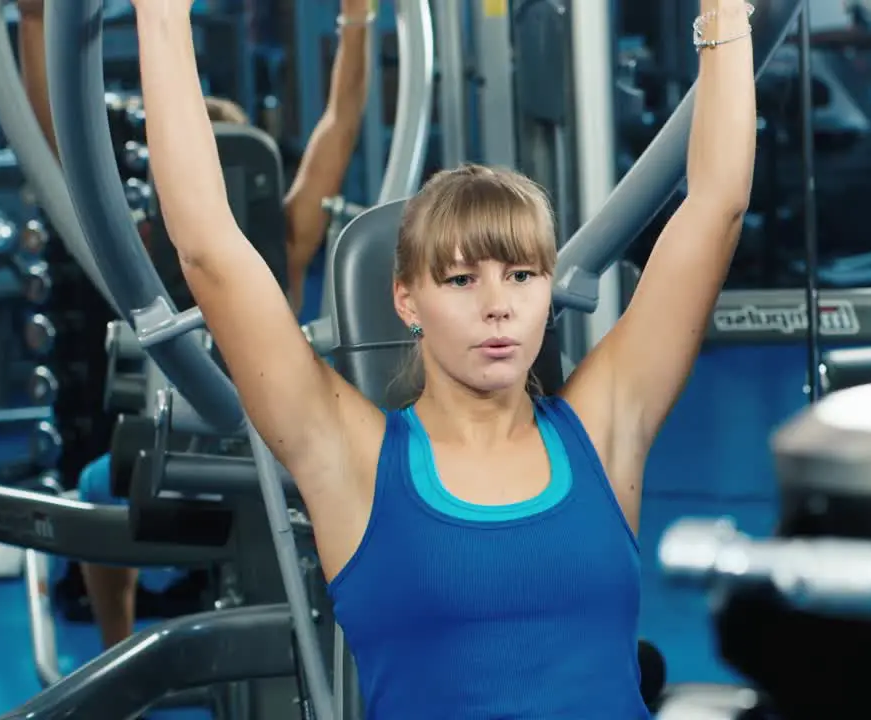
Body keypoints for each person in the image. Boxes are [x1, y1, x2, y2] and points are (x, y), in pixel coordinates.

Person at [136, 0, 754, 715]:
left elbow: (716, 207)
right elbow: (209, 248)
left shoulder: (605, 429)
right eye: (462, 280)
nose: (498, 305)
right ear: (407, 300)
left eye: (521, 276)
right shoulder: (353, 460)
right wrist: (161, 16)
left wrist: (724, 11)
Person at [16, 0, 372, 650]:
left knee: (99, 492)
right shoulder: (151, 241)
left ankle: (125, 640)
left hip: (278, 448)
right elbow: (60, 141)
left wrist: (358, 20)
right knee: (98, 491)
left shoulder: (278, 235)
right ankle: (117, 646)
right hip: (181, 447)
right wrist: (39, 22)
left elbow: (339, 123)